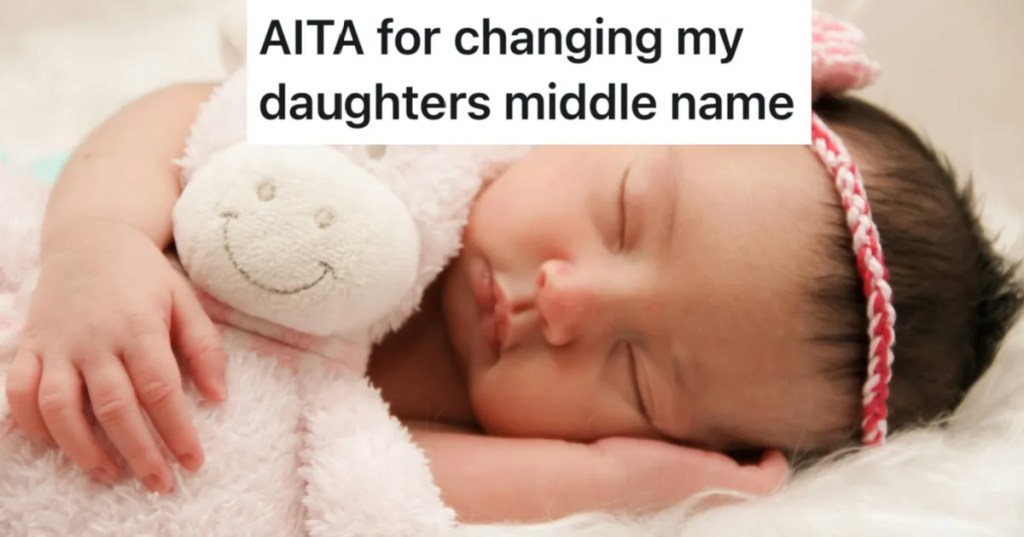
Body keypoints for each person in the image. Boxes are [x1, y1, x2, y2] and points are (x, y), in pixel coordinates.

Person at [3, 82, 1022, 522]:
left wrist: (620, 479)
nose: (566, 301)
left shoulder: (463, 422)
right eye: (625, 212)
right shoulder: (400, 159)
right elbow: (183, 115)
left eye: (635, 374)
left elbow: (379, 477)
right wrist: (97, 242)